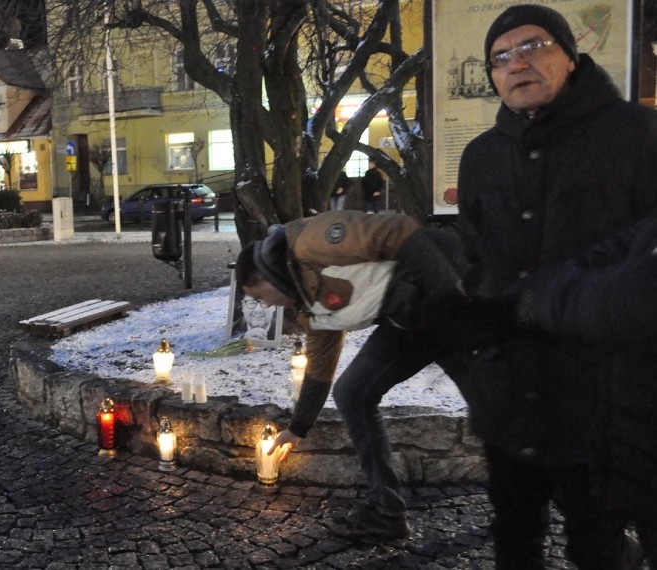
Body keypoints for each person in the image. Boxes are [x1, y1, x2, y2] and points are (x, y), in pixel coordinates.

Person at [453, 5, 657, 568]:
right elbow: (476, 262)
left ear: (569, 55)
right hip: (509, 399)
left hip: (604, 407)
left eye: (533, 46)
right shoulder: (481, 157)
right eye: (500, 56)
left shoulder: (638, 134)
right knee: (513, 540)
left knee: (597, 548)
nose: (516, 62)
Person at [235, 209, 466, 541]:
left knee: (491, 407)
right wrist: (298, 427)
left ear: (264, 276)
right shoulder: (305, 301)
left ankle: (533, 503)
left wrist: (455, 302)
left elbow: (398, 231)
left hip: (449, 293)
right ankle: (387, 513)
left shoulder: (309, 243)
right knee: (352, 393)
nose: (266, 306)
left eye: (259, 297)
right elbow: (321, 364)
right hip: (404, 322)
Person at [514, 216, 657, 565]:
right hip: (623, 442)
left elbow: (631, 298)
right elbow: (617, 247)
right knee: (591, 547)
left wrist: (545, 297)